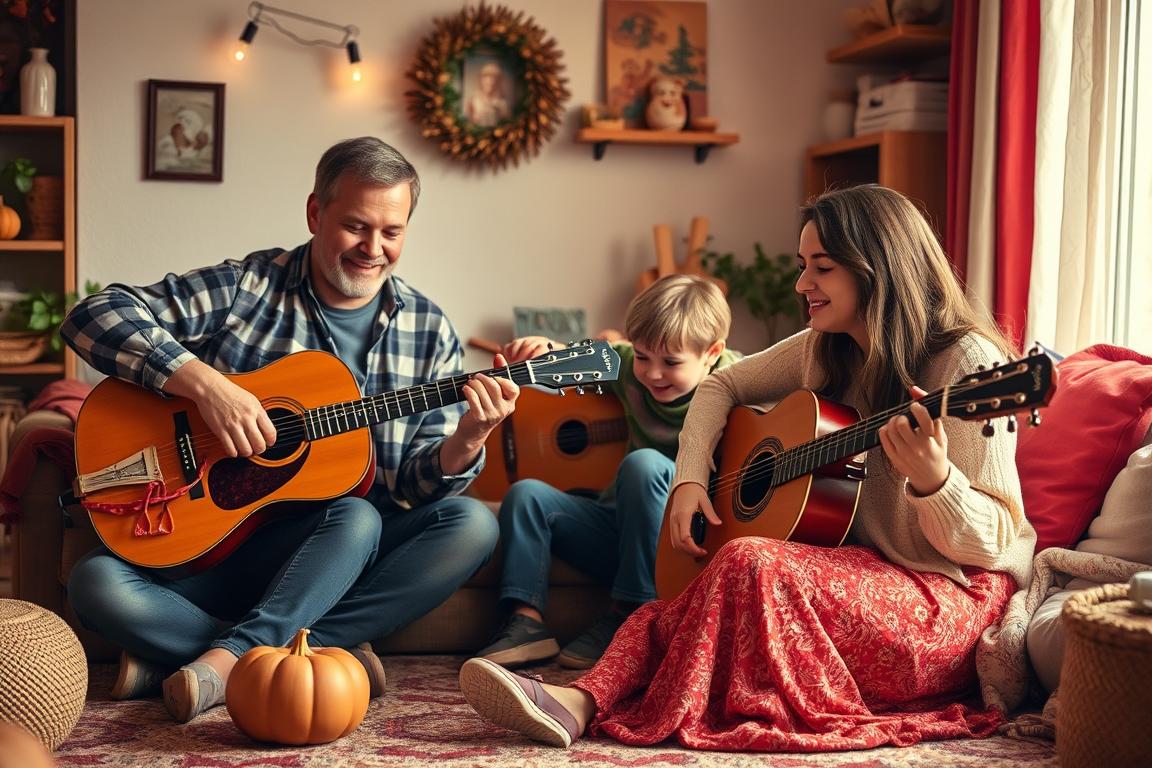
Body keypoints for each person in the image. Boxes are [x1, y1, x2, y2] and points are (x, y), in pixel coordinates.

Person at [459, 184, 1037, 752]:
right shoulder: (824, 346)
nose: (801, 284)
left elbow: (992, 543)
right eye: (802, 264)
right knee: (695, 587)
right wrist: (688, 480)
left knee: (746, 558)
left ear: (876, 269)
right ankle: (579, 700)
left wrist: (936, 481)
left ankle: (590, 701)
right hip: (864, 573)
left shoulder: (967, 363)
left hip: (951, 596)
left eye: (821, 267)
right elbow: (721, 386)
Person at [61, 136, 516, 724]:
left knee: (454, 521)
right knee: (95, 582)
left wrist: (468, 440)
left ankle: (218, 661)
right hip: (216, 550)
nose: (372, 249)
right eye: (355, 226)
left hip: (337, 549)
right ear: (314, 213)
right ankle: (317, 657)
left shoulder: (429, 329)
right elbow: (92, 316)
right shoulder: (247, 287)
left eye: (392, 232)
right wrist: (205, 385)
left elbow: (407, 487)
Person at [474, 274, 740, 670]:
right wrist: (540, 350)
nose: (651, 373)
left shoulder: (737, 380)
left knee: (643, 462)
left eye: (670, 362)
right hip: (618, 530)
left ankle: (632, 614)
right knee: (526, 494)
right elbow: (575, 358)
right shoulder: (630, 367)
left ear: (712, 352)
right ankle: (525, 621)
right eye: (644, 355)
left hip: (679, 545)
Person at [465, 61, 511, 127]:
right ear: (481, 81)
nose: (490, 83)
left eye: (494, 80)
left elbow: (507, 124)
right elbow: (469, 124)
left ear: (498, 83)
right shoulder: (473, 101)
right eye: (486, 80)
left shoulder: (503, 104)